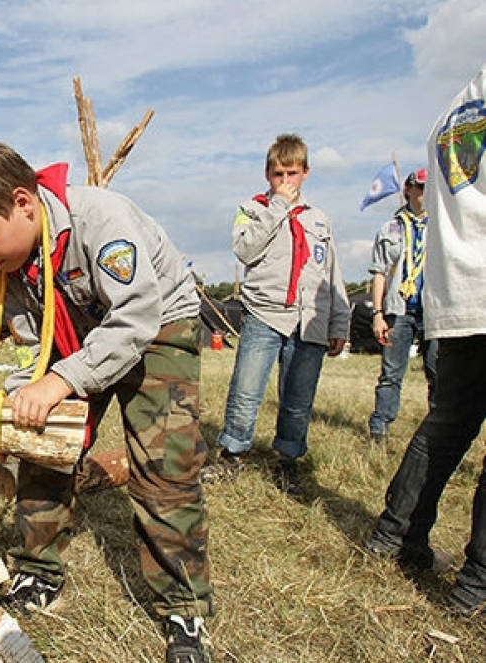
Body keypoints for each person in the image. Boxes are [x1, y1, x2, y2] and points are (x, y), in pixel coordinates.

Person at [0, 140, 212, 663]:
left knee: (164, 469)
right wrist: (24, 393)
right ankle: (38, 573)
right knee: (43, 450)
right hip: (80, 336)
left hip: (156, 329)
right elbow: (27, 330)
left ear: (22, 201)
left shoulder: (100, 220)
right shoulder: (13, 258)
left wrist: (60, 381)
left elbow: (134, 318)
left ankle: (184, 612)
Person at [366, 61, 486, 615]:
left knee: (448, 421)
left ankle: (394, 534)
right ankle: (476, 584)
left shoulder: (451, 114)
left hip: (459, 292)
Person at [201, 134, 351, 496]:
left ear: (306, 173)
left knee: (298, 398)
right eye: (278, 174)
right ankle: (232, 453)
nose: (285, 181)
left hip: (310, 320)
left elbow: (332, 273)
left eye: (292, 173)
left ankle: (288, 460)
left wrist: (339, 322)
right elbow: (245, 250)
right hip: (265, 314)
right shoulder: (251, 210)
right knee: (246, 390)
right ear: (266, 174)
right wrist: (279, 207)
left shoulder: (319, 221)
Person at [367, 168, 438, 445]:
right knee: (391, 373)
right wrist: (377, 314)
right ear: (407, 190)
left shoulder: (442, 225)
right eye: (419, 187)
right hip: (399, 310)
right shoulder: (390, 228)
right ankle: (380, 429)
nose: (423, 194)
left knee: (438, 373)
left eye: (428, 188)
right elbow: (379, 272)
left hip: (434, 310)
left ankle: (439, 434)